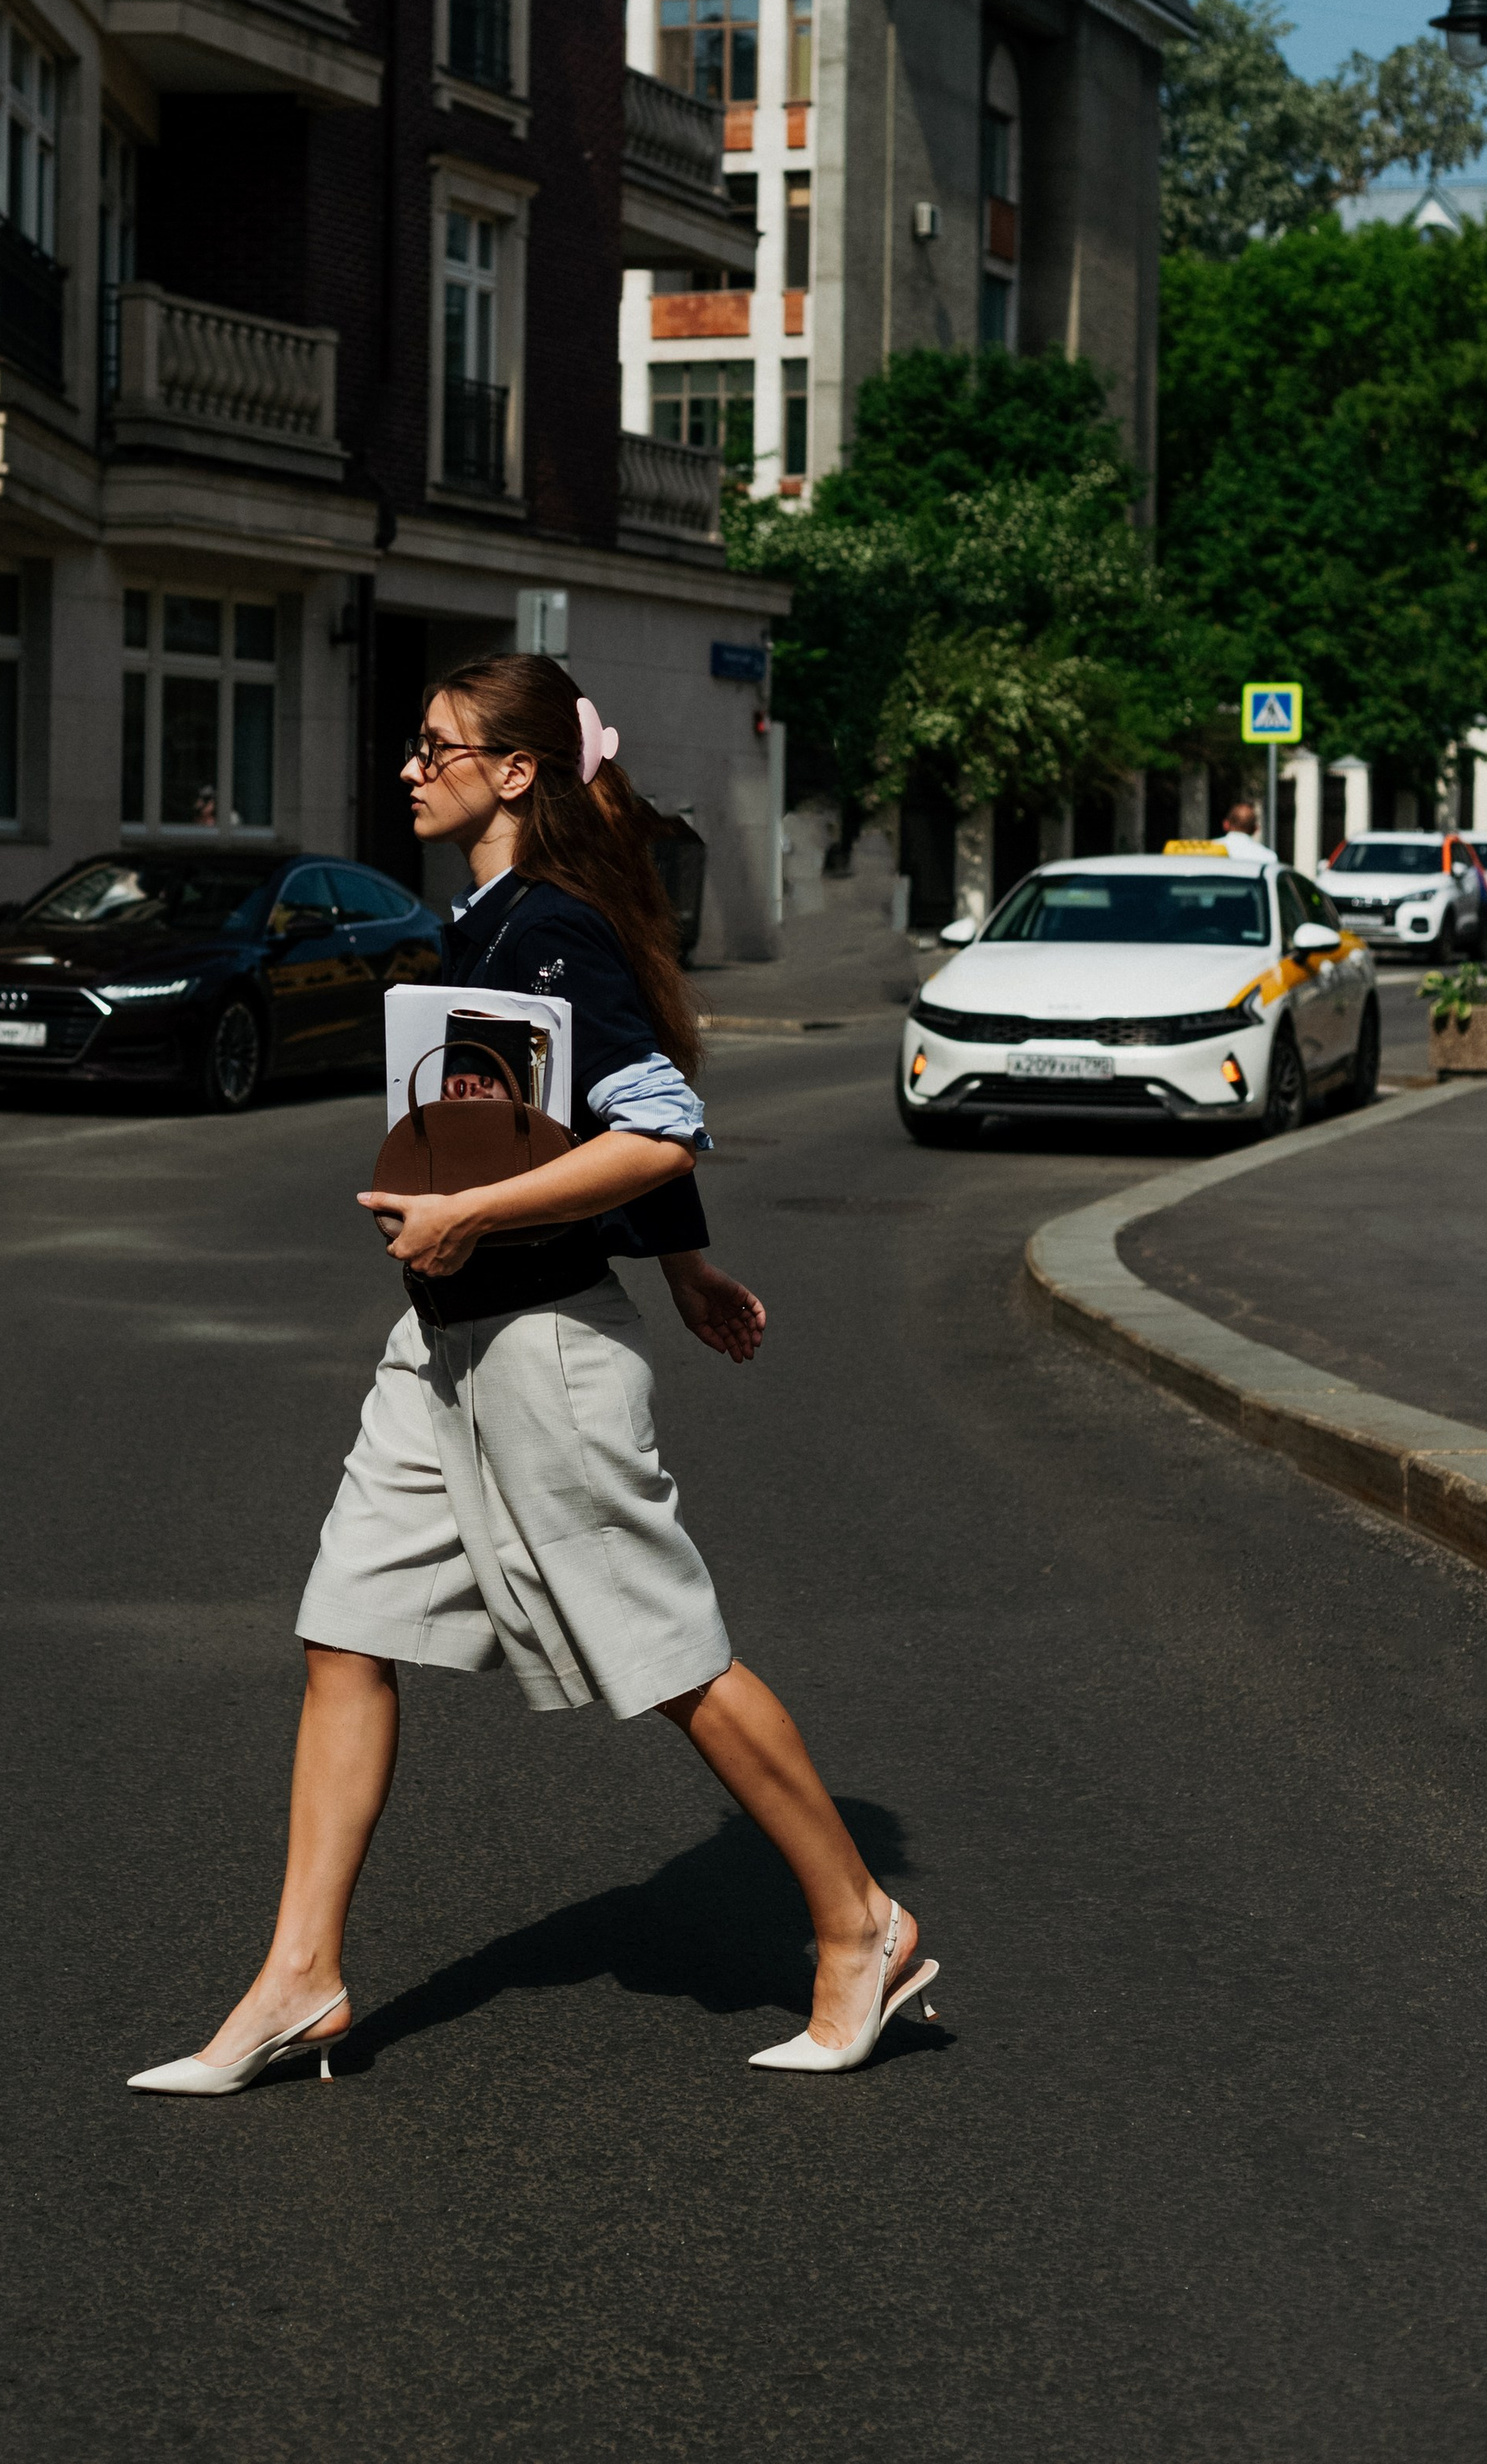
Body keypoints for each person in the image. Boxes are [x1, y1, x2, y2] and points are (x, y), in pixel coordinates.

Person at [129, 654, 937, 2096]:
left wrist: (468, 1217)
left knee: (670, 1656)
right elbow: (578, 1124)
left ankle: (859, 1921)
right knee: (346, 1626)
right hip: (442, 1345)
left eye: (437, 748)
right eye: (415, 744)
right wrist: (683, 1267)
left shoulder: (547, 931)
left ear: (515, 775)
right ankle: (300, 1979)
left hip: (541, 1347)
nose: (410, 768)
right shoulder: (488, 923)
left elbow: (659, 1124)